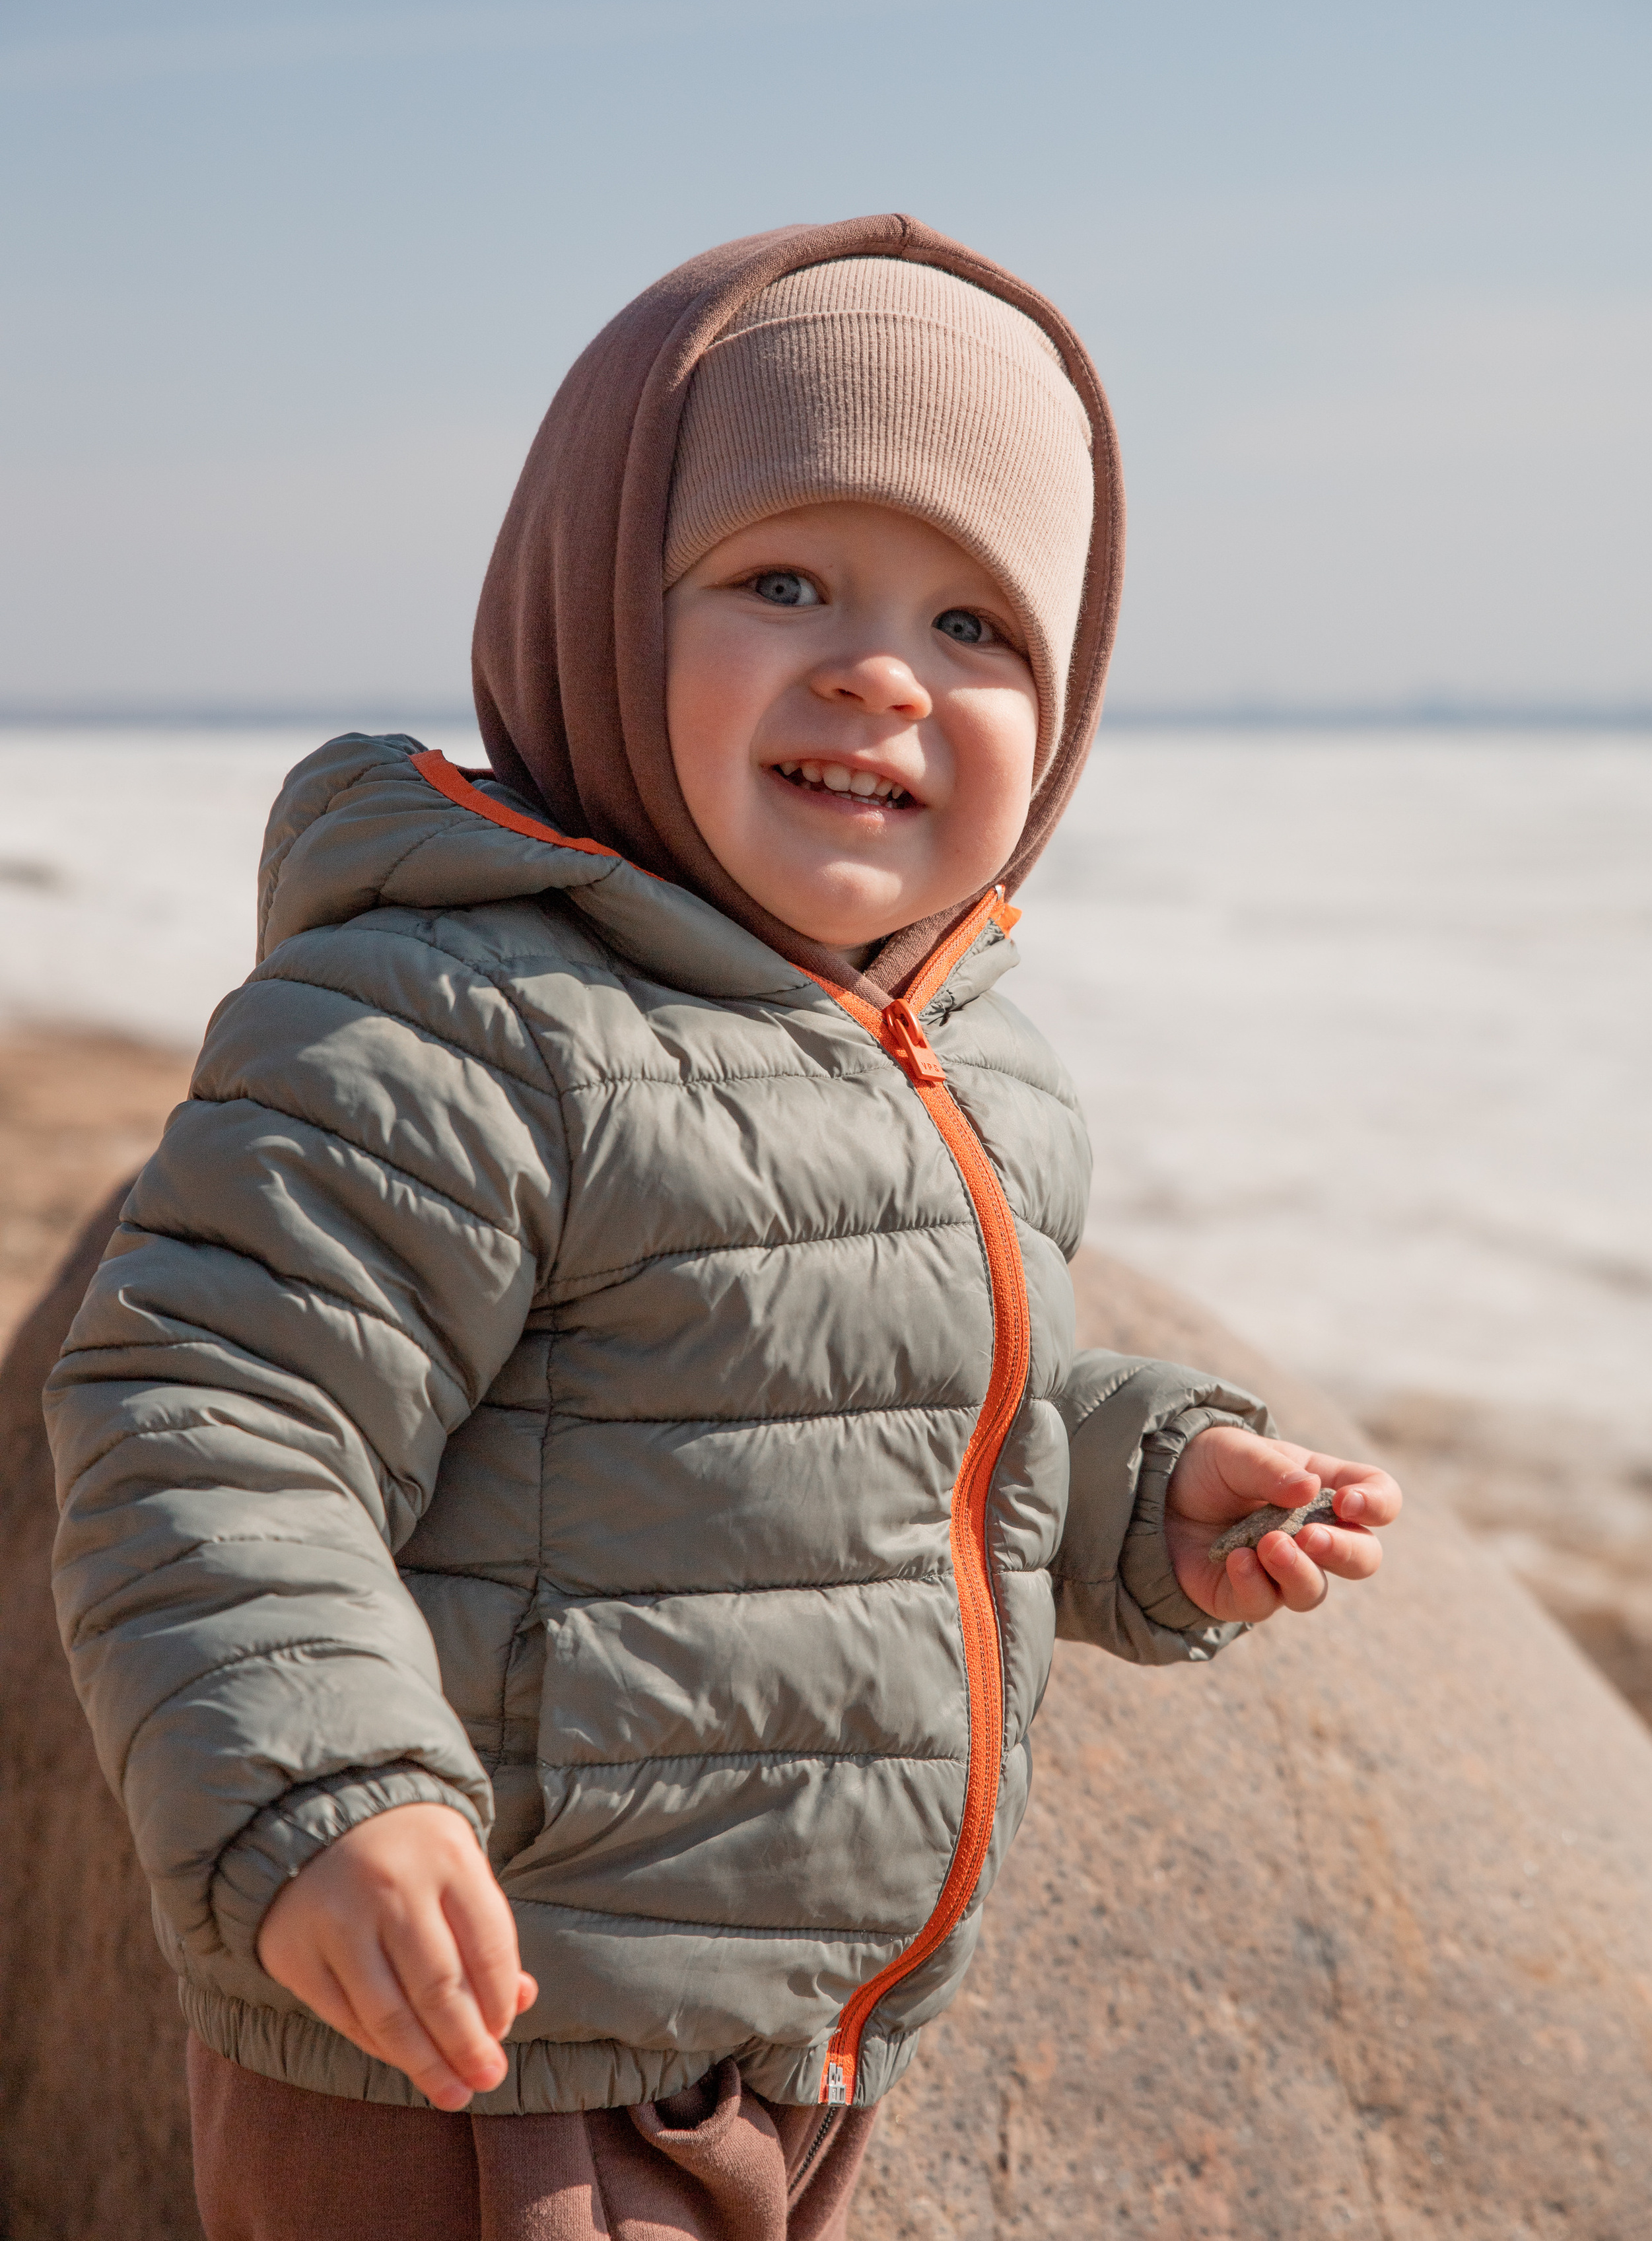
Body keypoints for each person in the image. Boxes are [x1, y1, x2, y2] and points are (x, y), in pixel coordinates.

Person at [46, 215, 1400, 2241]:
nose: (880, 669)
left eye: (979, 630)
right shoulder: (457, 1015)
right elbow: (211, 1421)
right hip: (464, 2049)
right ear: (598, 606)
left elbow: (852, 1427)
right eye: (784, 582)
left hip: (778, 2050)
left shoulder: (975, 1072)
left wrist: (1140, 1493)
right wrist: (328, 1800)